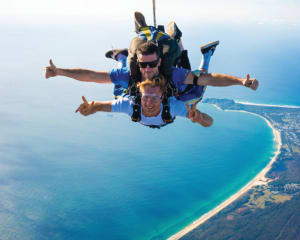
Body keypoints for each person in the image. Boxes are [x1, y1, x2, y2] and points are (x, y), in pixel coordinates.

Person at [75, 75, 213, 128]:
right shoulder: (129, 105)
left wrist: (199, 118)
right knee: (119, 93)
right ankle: (121, 57)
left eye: (155, 98)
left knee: (196, 95)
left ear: (163, 97)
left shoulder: (173, 107)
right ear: (140, 97)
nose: (149, 103)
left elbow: (209, 121)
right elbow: (99, 106)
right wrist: (90, 109)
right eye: (146, 97)